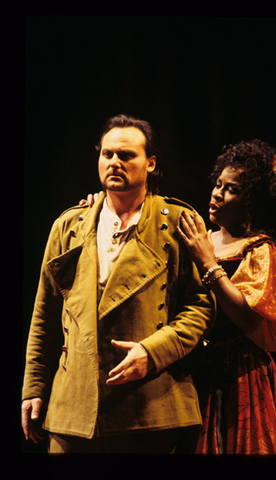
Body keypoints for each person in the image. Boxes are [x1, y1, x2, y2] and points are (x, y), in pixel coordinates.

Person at [21, 114, 215, 454]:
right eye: (107, 154)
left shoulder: (175, 222)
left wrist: (151, 352)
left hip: (150, 405)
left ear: (150, 163)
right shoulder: (68, 226)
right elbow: (45, 315)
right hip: (73, 406)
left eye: (126, 155)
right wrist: (34, 387)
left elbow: (200, 307)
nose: (114, 162)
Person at [176, 139, 276, 454]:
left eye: (231, 189)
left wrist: (209, 264)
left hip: (240, 375)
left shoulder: (261, 250)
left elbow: (247, 317)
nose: (217, 194)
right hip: (194, 370)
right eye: (218, 184)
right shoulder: (202, 239)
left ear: (252, 202)